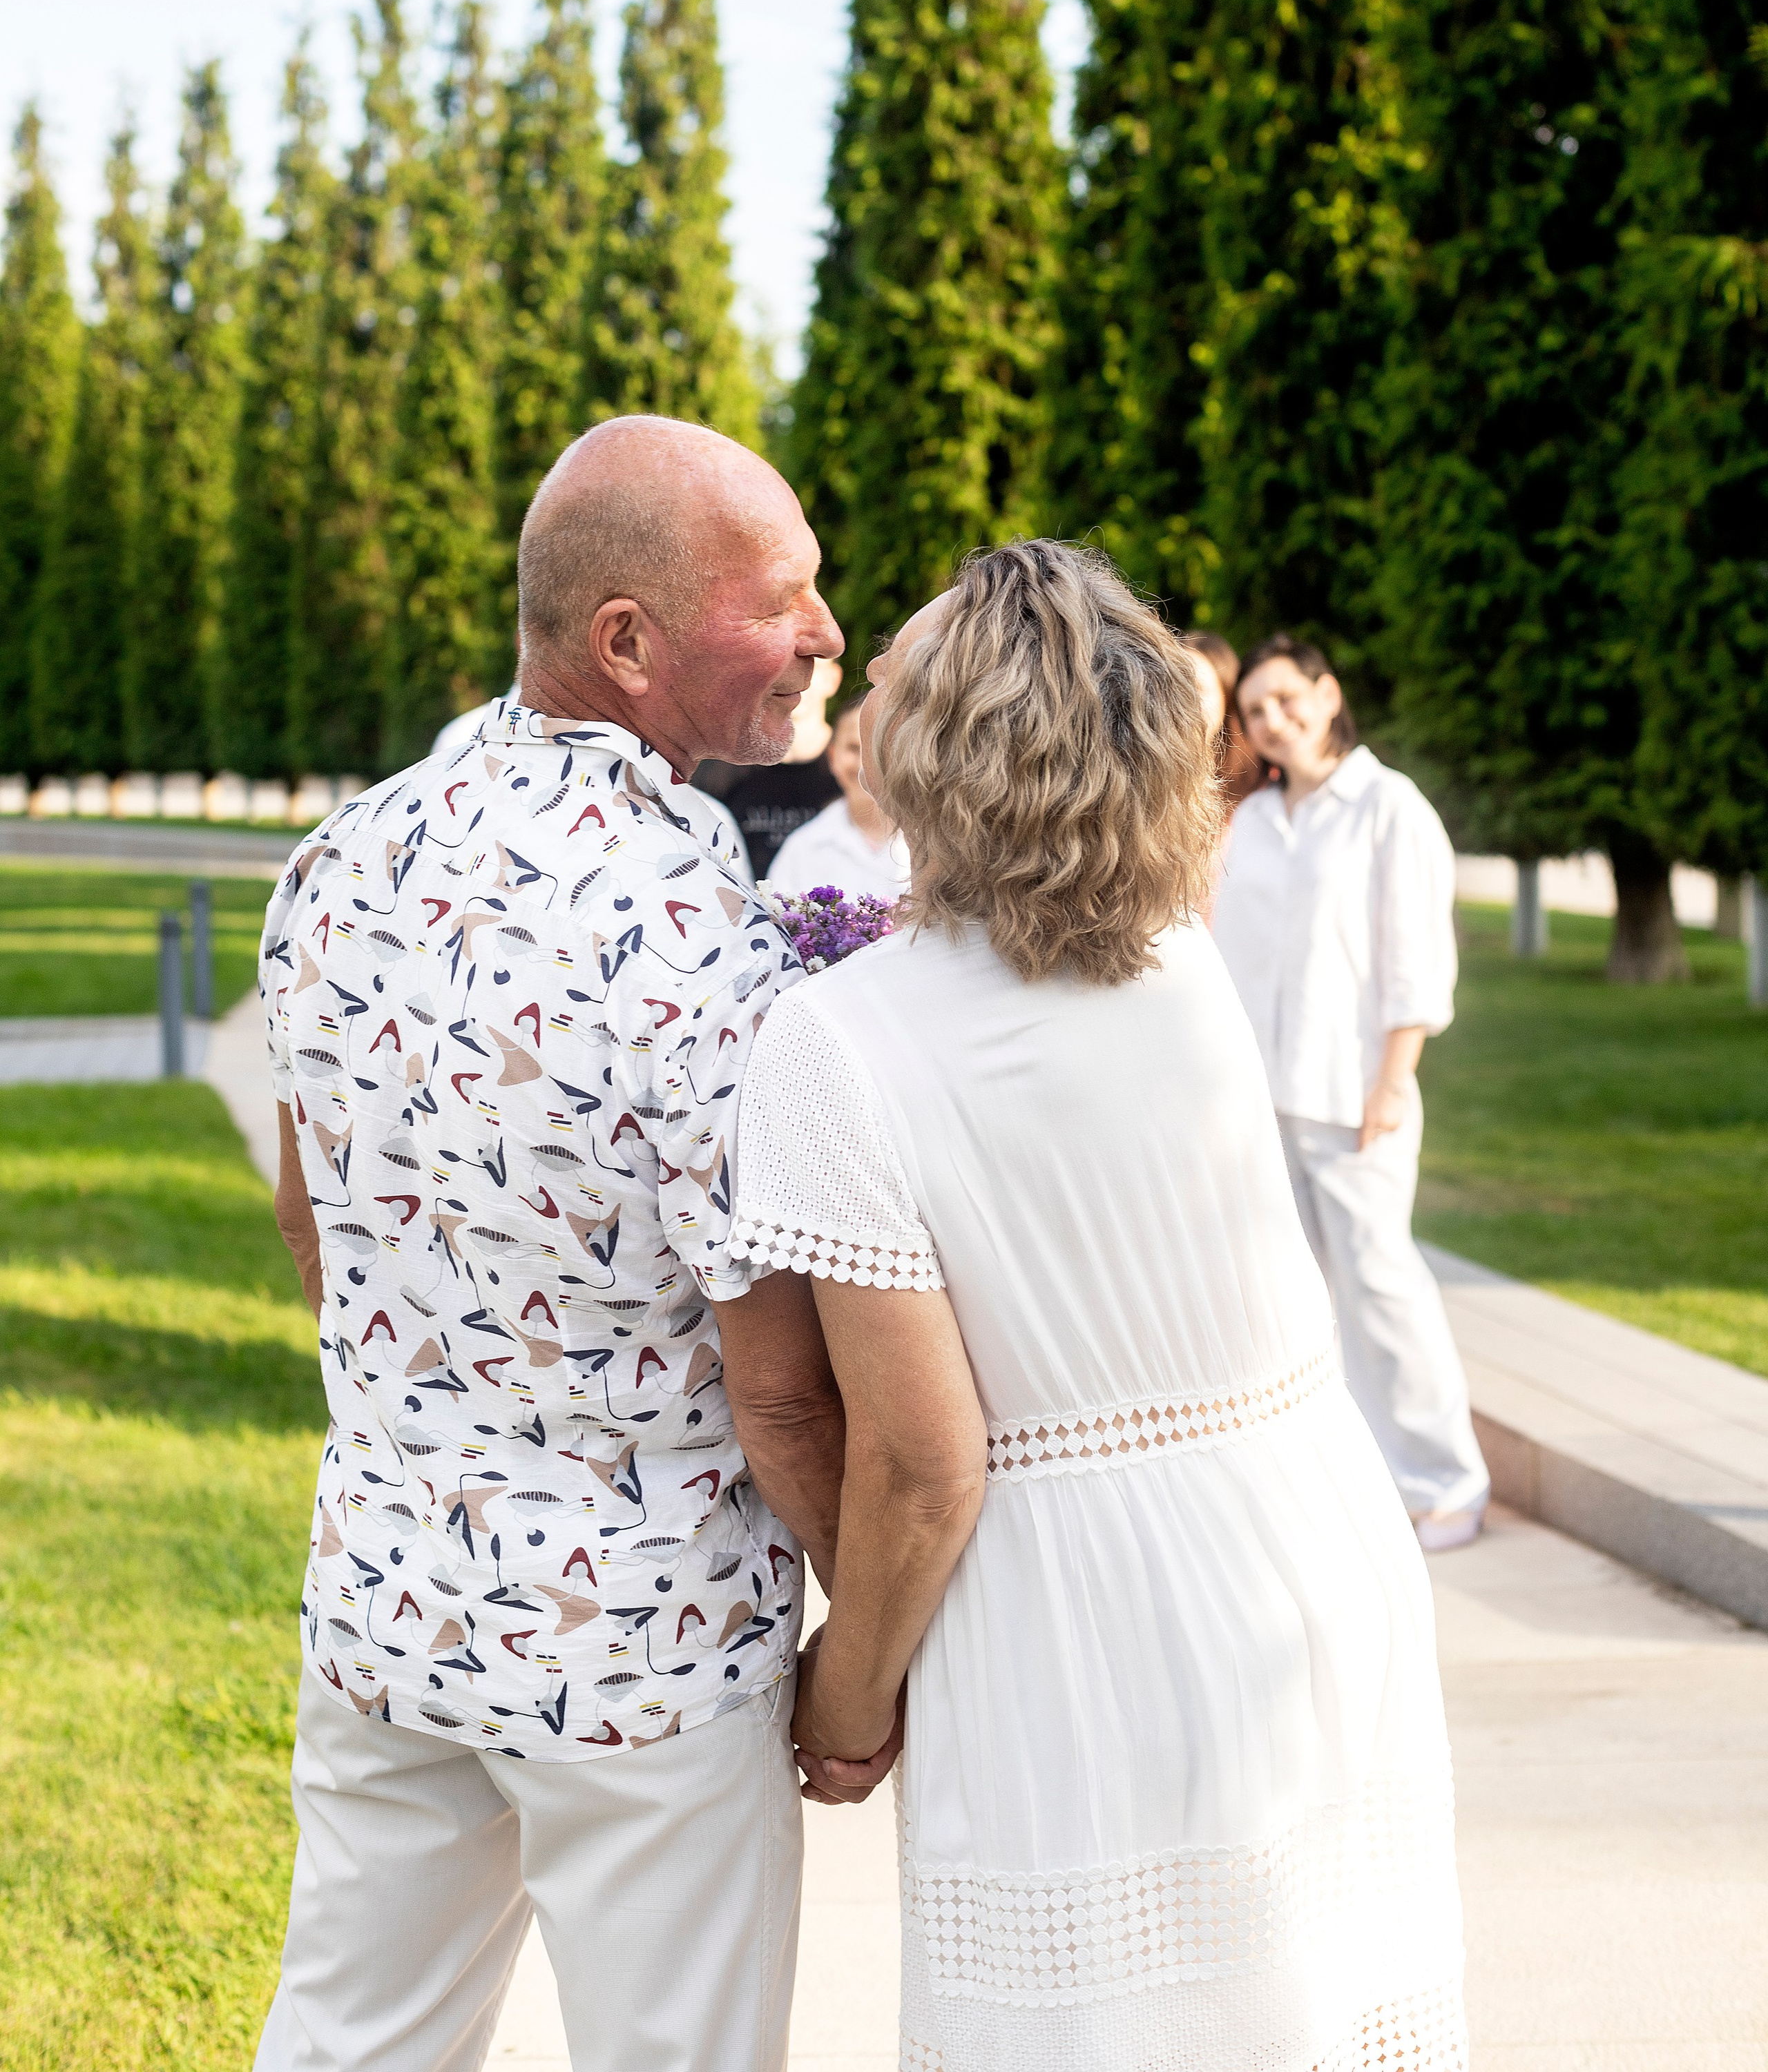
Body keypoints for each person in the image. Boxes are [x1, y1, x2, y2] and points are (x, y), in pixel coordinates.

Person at [724, 544, 1468, 2072]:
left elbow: (922, 1466)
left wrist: (843, 1702)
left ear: (947, 738)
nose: (854, 676)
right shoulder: (1181, 965)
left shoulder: (836, 1041)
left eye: (889, 677)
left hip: (1078, 1617)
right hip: (1314, 1546)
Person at [253, 414, 867, 2072]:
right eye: (787, 595)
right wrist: (864, 1635)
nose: (826, 630)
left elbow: (316, 1229)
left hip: (389, 1602)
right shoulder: (698, 928)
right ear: (627, 641)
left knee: (348, 2041)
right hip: (645, 1661)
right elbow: (784, 1387)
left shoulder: (336, 860)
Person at [1211, 634, 1490, 1552]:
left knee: (1381, 1285)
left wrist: (1394, 1081)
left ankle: (1446, 1481)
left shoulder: (1389, 809)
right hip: (1262, 1098)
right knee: (1288, 1298)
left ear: (1329, 696)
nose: (1272, 721)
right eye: (1255, 711)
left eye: (1288, 700)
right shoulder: (1252, 821)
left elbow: (1415, 959)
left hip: (1355, 1096)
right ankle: (1348, 1484)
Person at [694, 655, 845, 879]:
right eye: (780, 666)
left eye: (809, 666)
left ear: (833, 679)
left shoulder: (857, 772)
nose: (793, 679)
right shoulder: (720, 771)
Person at [767, 696, 910, 901]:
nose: (865, 765)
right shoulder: (802, 849)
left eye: (879, 748)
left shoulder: (941, 845)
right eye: (854, 748)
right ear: (833, 757)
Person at [1180, 626, 1267, 811]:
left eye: (1198, 689)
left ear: (1227, 700)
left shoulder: (1265, 782)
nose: (1183, 701)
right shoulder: (1141, 774)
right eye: (1176, 687)